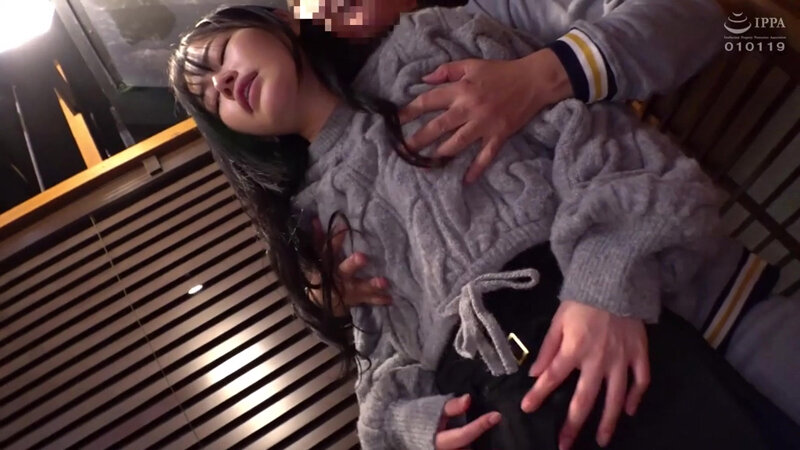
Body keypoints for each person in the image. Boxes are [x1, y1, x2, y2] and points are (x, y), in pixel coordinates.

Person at [167, 4, 800, 449]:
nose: (222, 81)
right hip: (514, 407)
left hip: (681, 312)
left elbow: (700, 35)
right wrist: (416, 425)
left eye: (219, 56)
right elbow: (385, 362)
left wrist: (605, 281)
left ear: (278, 25)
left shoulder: (439, 39)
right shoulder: (318, 217)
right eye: (211, 97)